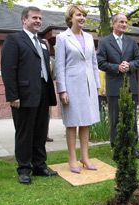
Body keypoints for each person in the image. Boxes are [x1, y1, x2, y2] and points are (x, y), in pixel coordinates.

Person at [1, 6, 58, 184]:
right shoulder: (14, 40)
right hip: (23, 95)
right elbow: (8, 70)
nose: (38, 21)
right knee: (25, 133)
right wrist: (13, 96)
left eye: (40, 19)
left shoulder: (42, 43)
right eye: (34, 18)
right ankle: (24, 169)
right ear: (24, 20)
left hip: (42, 92)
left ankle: (40, 166)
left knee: (41, 132)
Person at [55, 5, 100, 174]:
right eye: (78, 15)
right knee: (73, 122)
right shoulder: (62, 38)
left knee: (86, 122)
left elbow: (93, 64)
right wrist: (62, 90)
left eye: (84, 15)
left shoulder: (89, 38)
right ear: (70, 18)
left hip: (88, 86)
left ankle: (85, 157)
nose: (82, 17)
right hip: (71, 86)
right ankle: (72, 157)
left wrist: (97, 86)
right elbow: (59, 66)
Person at [97, 13, 139, 159]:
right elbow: (100, 62)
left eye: (126, 22)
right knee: (115, 119)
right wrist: (117, 67)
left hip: (131, 86)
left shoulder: (132, 41)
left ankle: (133, 148)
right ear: (113, 23)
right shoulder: (104, 42)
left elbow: (138, 59)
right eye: (121, 22)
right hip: (114, 85)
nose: (124, 24)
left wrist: (129, 65)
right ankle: (117, 149)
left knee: (131, 119)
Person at [42, 39, 55, 142]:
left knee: (47, 114)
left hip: (47, 91)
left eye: (47, 45)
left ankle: (45, 134)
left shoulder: (52, 61)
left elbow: (54, 75)